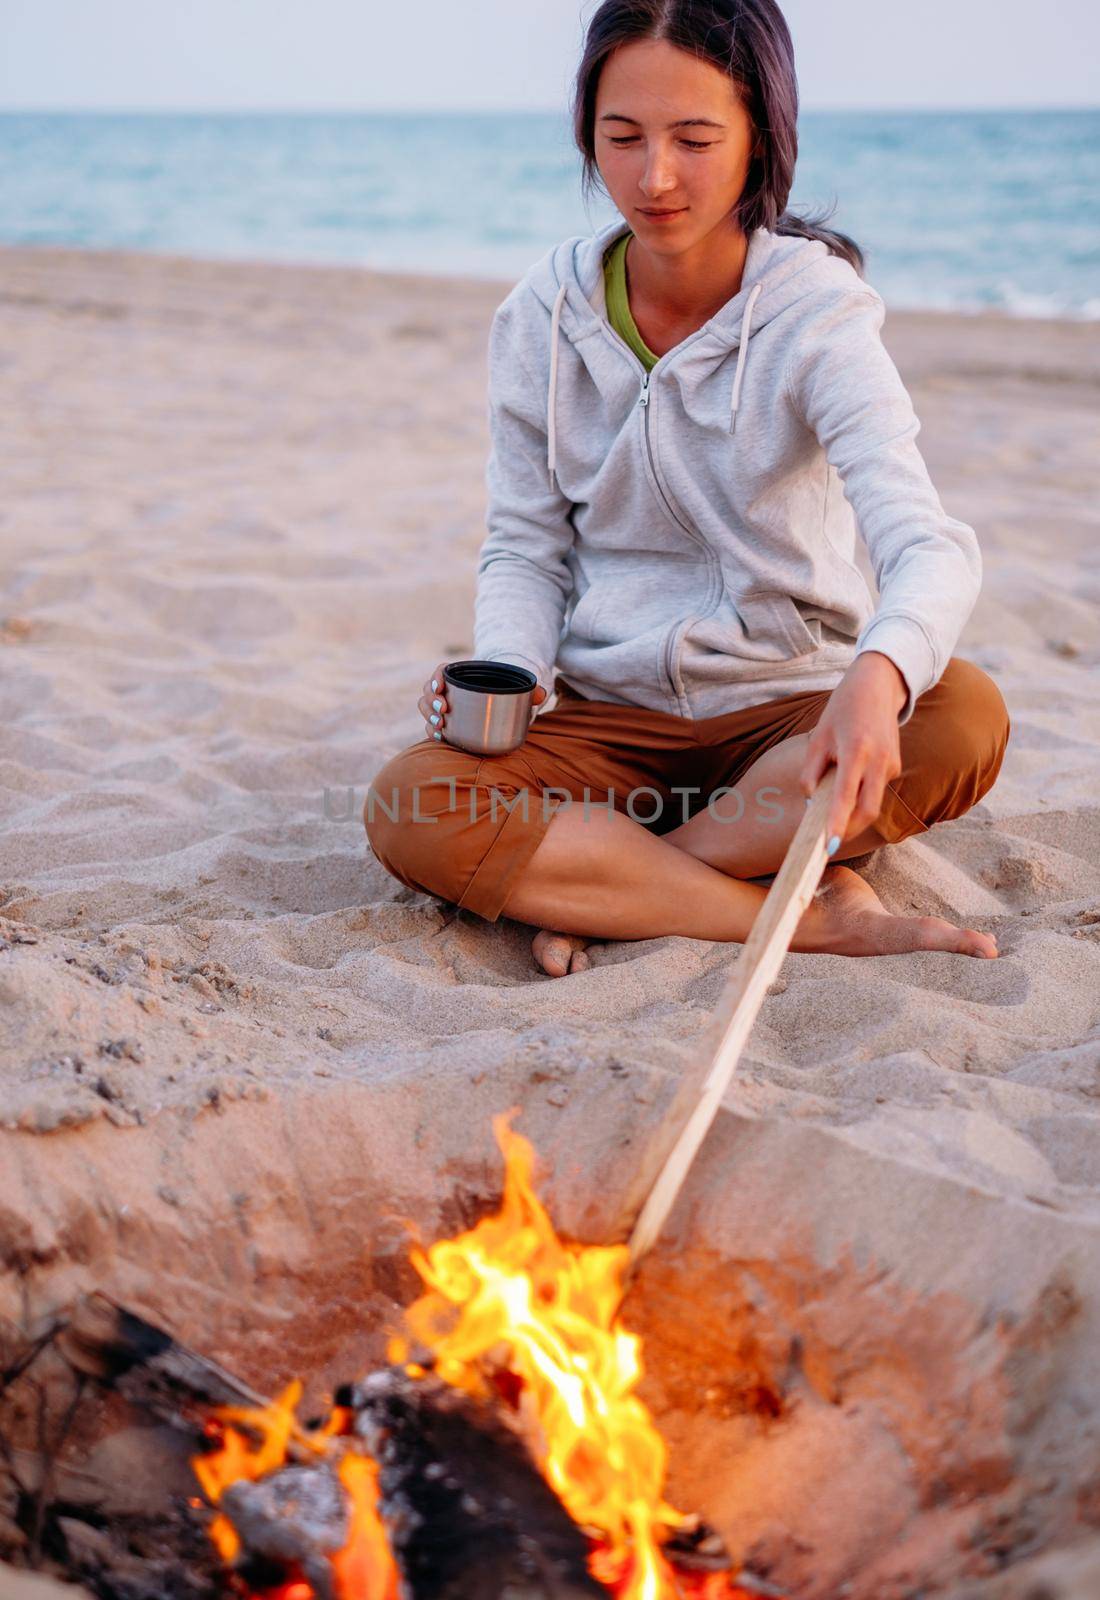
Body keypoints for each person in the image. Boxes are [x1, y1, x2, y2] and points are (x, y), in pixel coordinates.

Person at [365, 0, 1010, 979]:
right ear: (588, 132)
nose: (652, 177)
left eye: (694, 139)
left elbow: (925, 543)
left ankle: (631, 885)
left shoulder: (813, 313)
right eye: (620, 137)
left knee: (960, 717)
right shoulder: (539, 315)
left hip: (787, 709)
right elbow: (524, 545)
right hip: (606, 722)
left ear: (760, 139)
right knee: (410, 800)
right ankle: (797, 911)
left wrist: (875, 680)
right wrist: (510, 669)